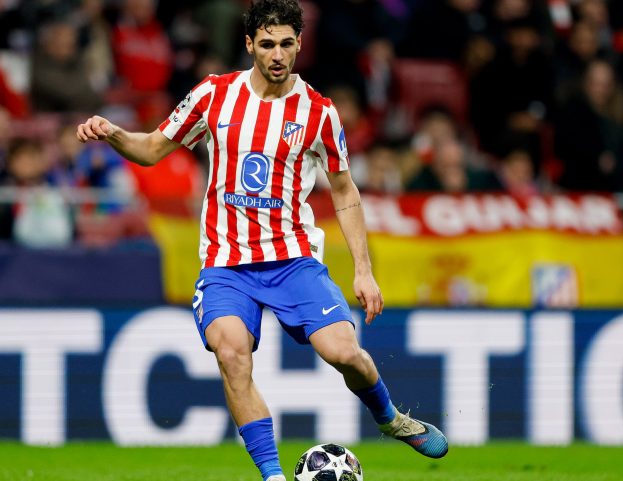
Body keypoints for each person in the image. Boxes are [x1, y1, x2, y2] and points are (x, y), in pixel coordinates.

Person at [76, 1, 448, 480]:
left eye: (287, 44)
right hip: (226, 264)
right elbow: (151, 148)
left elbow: (343, 189)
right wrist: (112, 133)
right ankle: (273, 477)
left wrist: (363, 268)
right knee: (231, 353)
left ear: (299, 45)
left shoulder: (318, 112)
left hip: (293, 259)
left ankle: (391, 419)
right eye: (267, 44)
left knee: (345, 353)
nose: (277, 54)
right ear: (250, 44)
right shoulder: (214, 96)